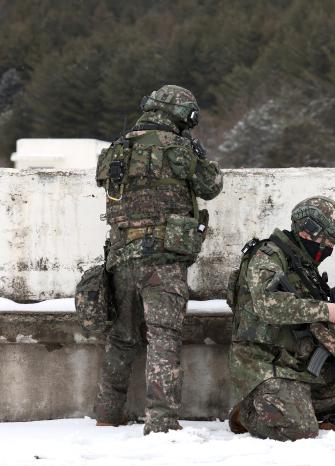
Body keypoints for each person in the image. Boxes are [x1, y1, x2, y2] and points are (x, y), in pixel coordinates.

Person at [93, 84, 223, 434]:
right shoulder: (179, 148)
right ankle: (161, 420)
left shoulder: (117, 149)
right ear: (180, 115)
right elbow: (211, 186)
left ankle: (107, 413)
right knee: (163, 338)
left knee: (121, 337)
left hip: (121, 256)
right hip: (163, 260)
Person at [227, 196, 335, 441]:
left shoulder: (302, 264)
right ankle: (247, 414)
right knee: (301, 430)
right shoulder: (268, 256)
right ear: (307, 232)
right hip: (262, 361)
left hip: (293, 360)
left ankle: (292, 407)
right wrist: (323, 310)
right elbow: (267, 306)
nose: (329, 249)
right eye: (328, 242)